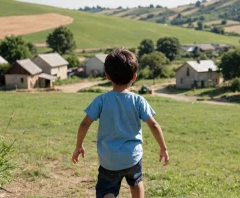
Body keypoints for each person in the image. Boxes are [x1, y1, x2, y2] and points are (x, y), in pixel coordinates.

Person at [72, 48, 169, 198]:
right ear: (134, 77)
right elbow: (154, 125)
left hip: (109, 159)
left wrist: (79, 146)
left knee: (107, 190)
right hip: (132, 157)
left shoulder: (101, 100)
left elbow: (84, 124)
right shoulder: (138, 101)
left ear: (107, 76)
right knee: (136, 181)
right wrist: (163, 147)